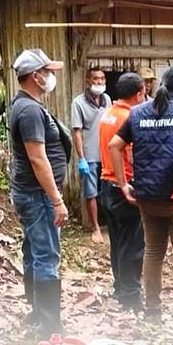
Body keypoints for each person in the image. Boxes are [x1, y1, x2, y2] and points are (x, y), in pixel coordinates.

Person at [108, 66, 173, 327]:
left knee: (153, 252)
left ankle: (153, 311)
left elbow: (114, 146)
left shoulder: (138, 112)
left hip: (149, 197)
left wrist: (123, 184)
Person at [8, 49, 69, 338]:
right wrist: (57, 200)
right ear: (35, 76)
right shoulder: (30, 110)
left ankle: (37, 316)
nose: (51, 77)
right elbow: (37, 158)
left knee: (34, 252)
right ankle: (49, 327)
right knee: (46, 257)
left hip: (31, 193)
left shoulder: (24, 104)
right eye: (47, 72)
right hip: (38, 195)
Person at [98, 73, 146, 312]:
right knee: (133, 244)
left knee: (118, 242)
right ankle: (131, 295)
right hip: (123, 185)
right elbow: (128, 153)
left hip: (106, 184)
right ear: (139, 93)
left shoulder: (107, 114)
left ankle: (120, 288)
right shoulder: (131, 117)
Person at [71, 66, 111, 244]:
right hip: (90, 156)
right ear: (88, 81)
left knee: (109, 192)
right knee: (91, 193)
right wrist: (81, 158)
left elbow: (111, 123)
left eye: (102, 79)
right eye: (95, 79)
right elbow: (77, 132)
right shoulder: (78, 103)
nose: (99, 82)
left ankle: (111, 225)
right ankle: (95, 228)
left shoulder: (107, 99)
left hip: (107, 155)